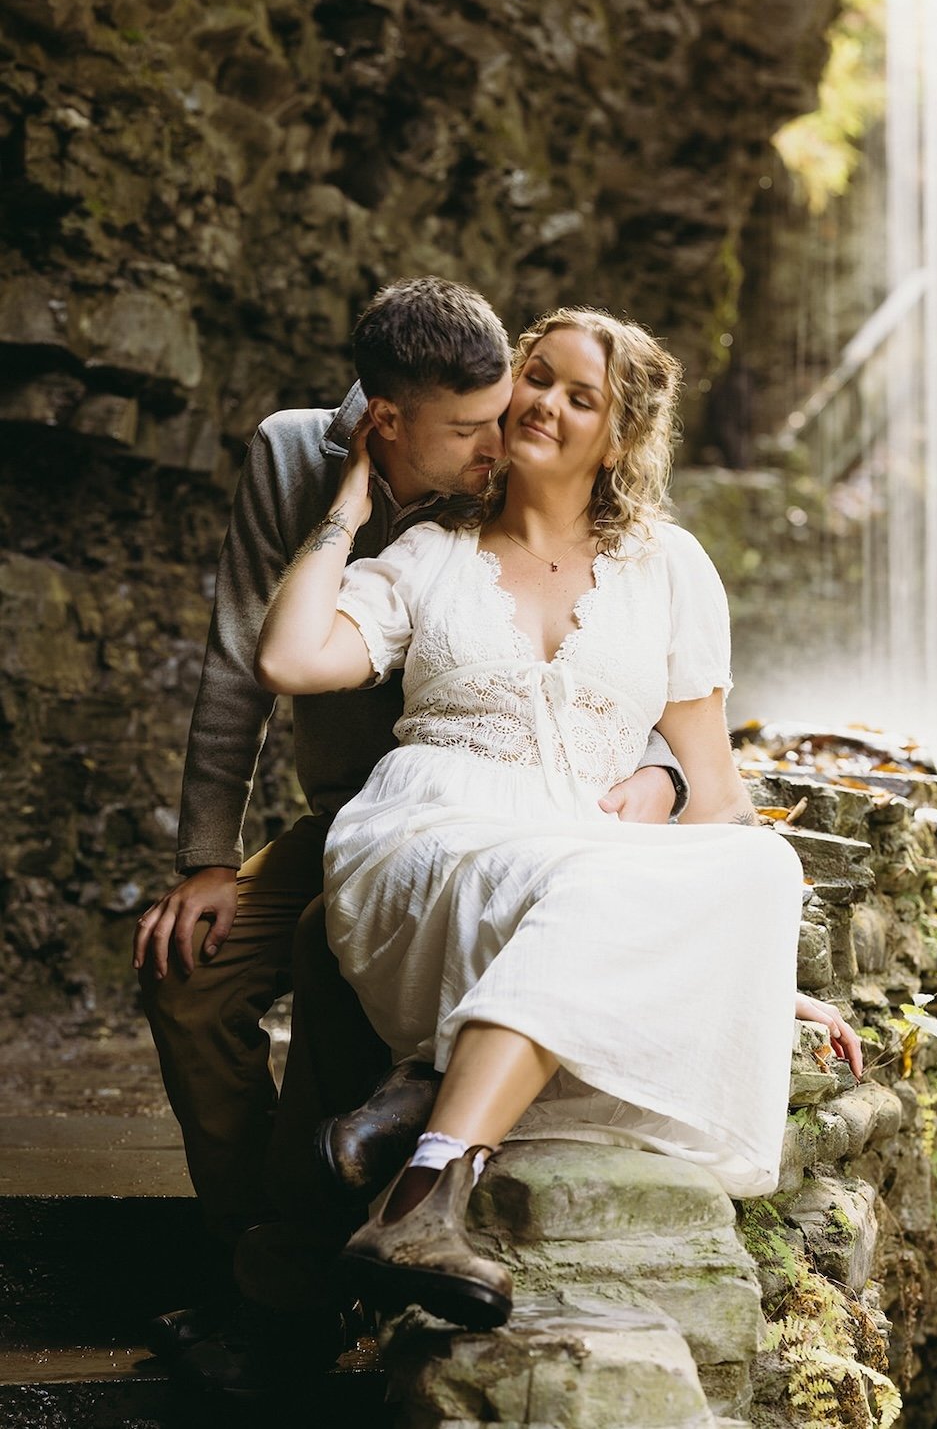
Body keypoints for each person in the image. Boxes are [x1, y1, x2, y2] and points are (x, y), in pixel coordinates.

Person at [256, 306, 863, 1329]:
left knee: (759, 871)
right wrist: (346, 513)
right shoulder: (430, 554)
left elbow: (716, 795)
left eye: (582, 397)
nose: (544, 403)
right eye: (536, 377)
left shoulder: (670, 567)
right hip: (430, 835)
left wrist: (760, 965)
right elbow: (288, 658)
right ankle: (425, 1157)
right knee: (589, 881)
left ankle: (422, 1160)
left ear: (618, 439)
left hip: (581, 856)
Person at [132, 280, 687, 1388]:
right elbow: (245, 662)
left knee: (330, 964)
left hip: (503, 821)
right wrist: (207, 860)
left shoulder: (520, 475)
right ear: (388, 421)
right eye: (475, 428)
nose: (503, 441)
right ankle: (255, 1251)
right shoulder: (294, 460)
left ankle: (296, 1281)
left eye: (511, 407)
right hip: (354, 814)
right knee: (189, 978)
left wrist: (663, 775)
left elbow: (620, 659)